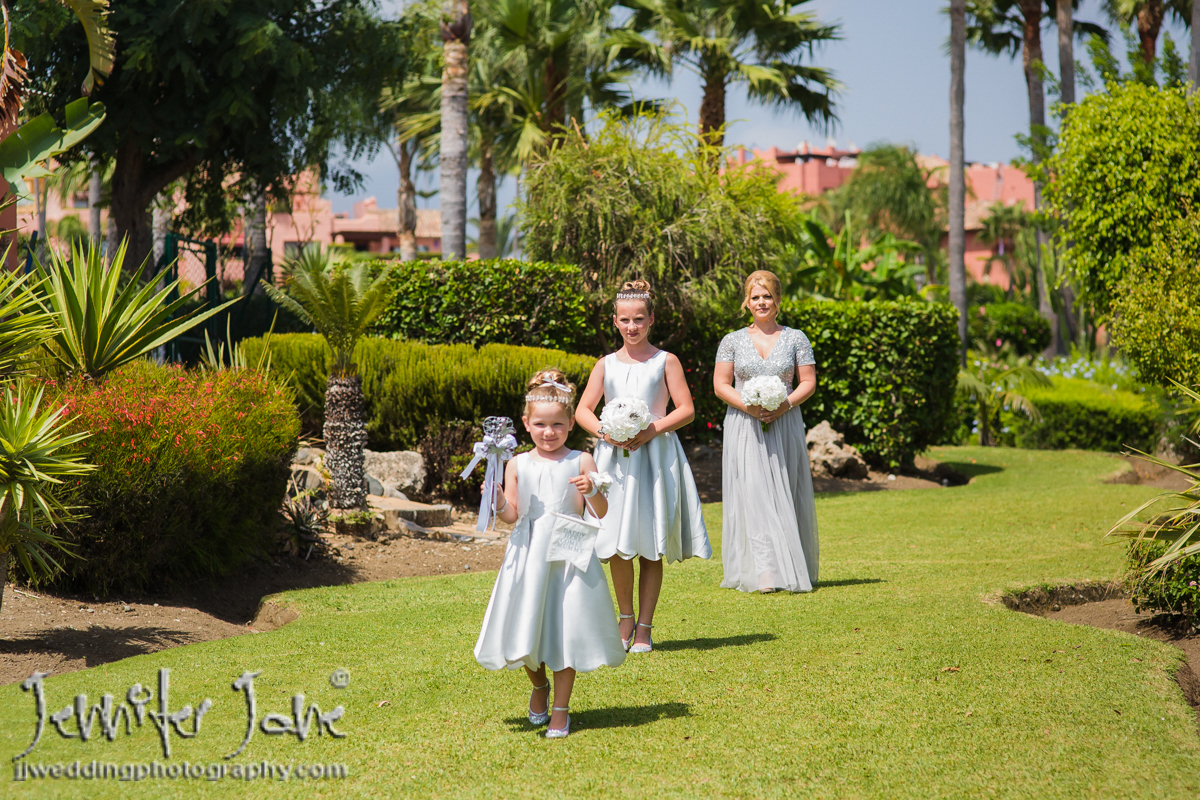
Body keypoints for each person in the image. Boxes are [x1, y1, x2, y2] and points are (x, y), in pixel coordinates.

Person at [474, 369, 625, 739]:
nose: (549, 432)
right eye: (540, 424)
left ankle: (561, 709)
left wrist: (592, 490)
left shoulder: (581, 460)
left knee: (564, 629)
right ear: (526, 424)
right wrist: (497, 501)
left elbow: (601, 511)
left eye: (558, 424)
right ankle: (539, 686)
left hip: (568, 555)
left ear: (571, 423)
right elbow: (512, 514)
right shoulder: (518, 464)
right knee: (525, 625)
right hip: (528, 555)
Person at [575, 280, 711, 654]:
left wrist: (652, 429)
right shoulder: (605, 364)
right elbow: (583, 410)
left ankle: (645, 628)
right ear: (615, 321)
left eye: (639, 319)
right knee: (618, 543)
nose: (631, 326)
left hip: (655, 458)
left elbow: (686, 409)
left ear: (651, 320)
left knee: (651, 543)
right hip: (614, 461)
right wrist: (606, 432)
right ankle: (625, 619)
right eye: (624, 320)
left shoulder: (666, 361)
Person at [713, 270, 819, 594]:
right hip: (744, 425)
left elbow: (808, 382)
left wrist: (784, 405)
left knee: (785, 489)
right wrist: (749, 407)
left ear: (777, 300)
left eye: (767, 296)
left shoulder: (796, 338)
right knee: (752, 491)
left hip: (785, 422)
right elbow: (720, 385)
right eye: (755, 297)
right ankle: (764, 571)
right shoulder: (731, 341)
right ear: (747, 302)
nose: (761, 302)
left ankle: (789, 564)